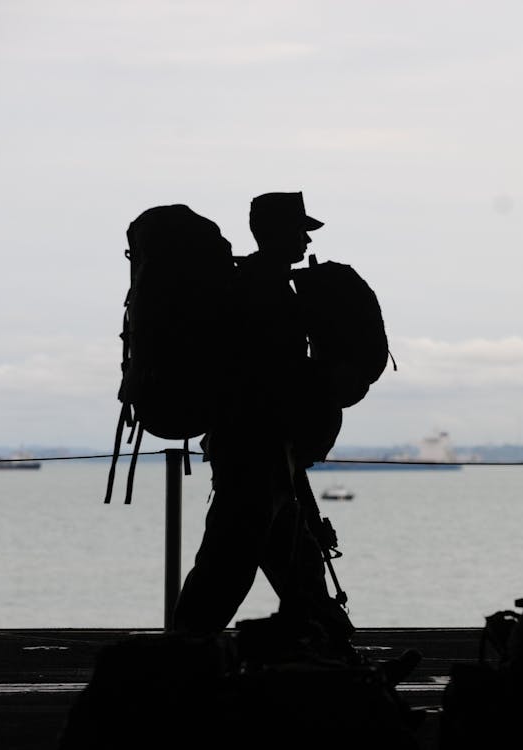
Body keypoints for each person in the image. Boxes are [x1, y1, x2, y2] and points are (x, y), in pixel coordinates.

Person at [171, 192, 360, 657]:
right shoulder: (262, 291)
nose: (306, 238)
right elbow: (271, 377)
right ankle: (180, 661)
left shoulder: (262, 285)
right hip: (256, 452)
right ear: (275, 232)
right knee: (228, 567)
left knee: (297, 566)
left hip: (268, 454)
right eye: (299, 229)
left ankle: (338, 653)